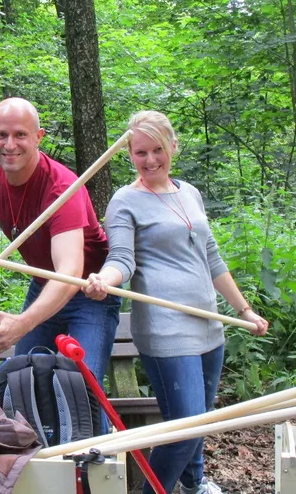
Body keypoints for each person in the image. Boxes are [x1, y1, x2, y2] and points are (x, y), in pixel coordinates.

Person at [84, 110, 270, 494]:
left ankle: (193, 485)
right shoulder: (124, 201)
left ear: (173, 146)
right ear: (129, 153)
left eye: (158, 149)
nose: (150, 160)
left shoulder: (190, 193)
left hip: (208, 323)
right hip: (165, 329)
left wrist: (244, 310)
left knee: (198, 422)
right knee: (185, 427)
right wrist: (105, 280)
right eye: (140, 152)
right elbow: (122, 260)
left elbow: (212, 258)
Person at [0, 97, 120, 434]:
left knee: (83, 389)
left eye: (20, 135)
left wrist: (21, 324)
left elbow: (69, 273)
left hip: (89, 293)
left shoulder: (62, 188)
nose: (10, 145)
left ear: (39, 137)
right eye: (1, 135)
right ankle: (33, 458)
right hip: (44, 285)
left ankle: (96, 461)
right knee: (19, 380)